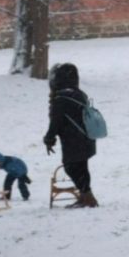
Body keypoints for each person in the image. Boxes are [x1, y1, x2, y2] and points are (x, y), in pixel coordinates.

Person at [44, 62, 98, 207]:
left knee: (71, 167)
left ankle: (87, 197)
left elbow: (56, 122)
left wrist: (49, 139)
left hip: (72, 139)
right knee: (81, 168)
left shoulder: (61, 98)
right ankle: (86, 196)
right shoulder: (78, 93)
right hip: (86, 136)